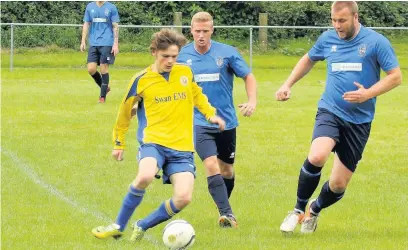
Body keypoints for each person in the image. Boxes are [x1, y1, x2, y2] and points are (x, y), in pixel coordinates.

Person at [276, 1, 402, 234]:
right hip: (330, 111)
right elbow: (309, 58)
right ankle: (297, 210)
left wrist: (367, 94)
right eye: (333, 20)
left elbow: (395, 77)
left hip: (360, 122)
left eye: (342, 21)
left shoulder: (376, 42)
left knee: (338, 185)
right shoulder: (327, 39)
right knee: (317, 155)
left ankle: (314, 210)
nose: (337, 26)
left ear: (356, 17)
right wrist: (288, 84)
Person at [91, 29, 225, 242]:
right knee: (144, 176)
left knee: (183, 198)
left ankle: (142, 225)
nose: (170, 61)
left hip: (182, 147)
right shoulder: (141, 80)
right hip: (153, 141)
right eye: (166, 56)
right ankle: (117, 225)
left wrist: (211, 115)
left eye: (174, 56)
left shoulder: (185, 73)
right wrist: (119, 143)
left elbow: (197, 95)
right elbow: (125, 112)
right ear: (154, 52)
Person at [177, 12, 257, 228]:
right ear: (191, 30)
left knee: (227, 170)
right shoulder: (181, 57)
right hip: (199, 121)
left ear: (212, 30)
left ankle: (223, 206)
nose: (201, 35)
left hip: (227, 122)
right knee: (210, 164)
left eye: (205, 31)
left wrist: (252, 101)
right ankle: (227, 214)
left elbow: (248, 76)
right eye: (197, 31)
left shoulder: (227, 53)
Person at [80, 1, 119, 103]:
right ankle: (105, 87)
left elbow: (115, 26)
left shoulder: (111, 7)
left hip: (107, 42)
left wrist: (115, 44)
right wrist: (83, 40)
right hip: (93, 43)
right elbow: (86, 23)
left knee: (103, 69)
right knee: (91, 69)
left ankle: (102, 97)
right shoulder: (90, 6)